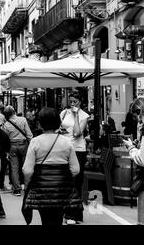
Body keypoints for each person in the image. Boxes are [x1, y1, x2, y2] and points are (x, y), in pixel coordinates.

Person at [22, 108, 81, 225]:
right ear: (58, 123)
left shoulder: (35, 142)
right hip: (62, 190)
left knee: (45, 219)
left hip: (41, 190)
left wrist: (29, 184)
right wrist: (63, 178)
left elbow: (27, 171)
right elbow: (75, 169)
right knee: (58, 219)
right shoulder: (67, 142)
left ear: (40, 124)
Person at [60, 90, 89, 225]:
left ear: (80, 102)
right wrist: (60, 131)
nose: (72, 104)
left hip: (78, 150)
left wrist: (76, 115)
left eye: (75, 102)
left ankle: (73, 214)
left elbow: (77, 133)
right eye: (70, 101)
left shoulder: (84, 115)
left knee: (76, 181)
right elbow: (58, 128)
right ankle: (71, 213)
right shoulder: (64, 113)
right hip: (65, 149)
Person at [2, 106, 33, 196]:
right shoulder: (23, 120)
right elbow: (29, 134)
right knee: (26, 166)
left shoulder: (6, 124)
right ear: (14, 112)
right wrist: (31, 144)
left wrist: (6, 150)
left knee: (14, 167)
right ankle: (27, 188)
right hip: (24, 144)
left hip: (12, 145)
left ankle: (17, 189)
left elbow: (5, 138)